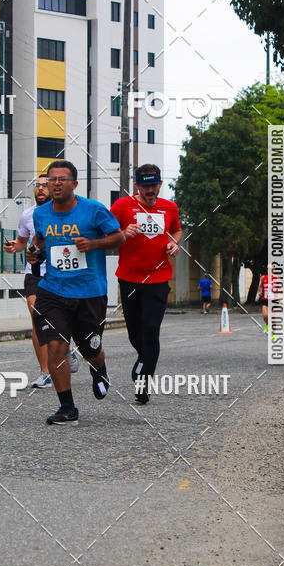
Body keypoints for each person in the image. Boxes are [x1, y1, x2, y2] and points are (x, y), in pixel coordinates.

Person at [28, 160, 125, 425]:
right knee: (56, 345)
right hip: (52, 290)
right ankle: (67, 407)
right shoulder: (41, 213)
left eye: (62, 179)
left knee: (89, 349)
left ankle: (99, 368)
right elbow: (39, 239)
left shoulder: (94, 210)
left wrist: (93, 243)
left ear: (75, 184)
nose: (56, 183)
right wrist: (34, 251)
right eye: (51, 179)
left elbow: (119, 237)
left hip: (89, 293)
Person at [110, 164, 182, 405]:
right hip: (129, 277)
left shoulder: (170, 207)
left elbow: (176, 231)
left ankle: (143, 382)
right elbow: (107, 234)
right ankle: (143, 359)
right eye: (145, 186)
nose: (150, 190)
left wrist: (174, 244)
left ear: (160, 184)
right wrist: (122, 232)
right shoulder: (122, 206)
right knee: (135, 332)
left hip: (158, 277)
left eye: (154, 185)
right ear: (137, 186)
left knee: (151, 328)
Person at [3, 175, 79, 387]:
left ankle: (66, 345)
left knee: (63, 317)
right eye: (37, 186)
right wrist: (13, 247)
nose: (40, 189)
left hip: (60, 272)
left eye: (45, 185)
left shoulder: (65, 213)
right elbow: (21, 243)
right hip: (35, 272)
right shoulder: (28, 215)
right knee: (37, 318)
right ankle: (45, 372)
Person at [260, 264, 281, 338]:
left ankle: (274, 334)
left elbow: (280, 287)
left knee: (273, 318)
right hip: (265, 300)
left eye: (271, 269)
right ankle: (267, 325)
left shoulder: (276, 278)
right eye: (268, 269)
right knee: (265, 316)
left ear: (273, 270)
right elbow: (261, 286)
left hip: (274, 301)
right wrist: (260, 291)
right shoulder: (263, 277)